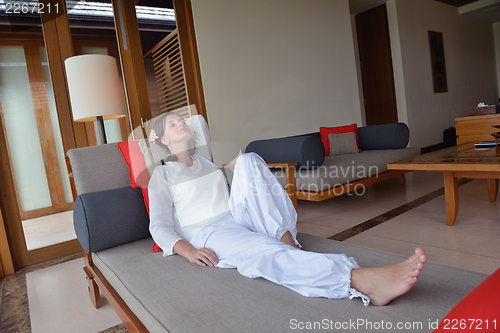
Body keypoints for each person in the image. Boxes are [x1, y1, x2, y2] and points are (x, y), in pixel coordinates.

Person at [147, 112, 427, 306]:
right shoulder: (162, 175)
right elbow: (158, 226)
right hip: (209, 233)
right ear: (162, 140)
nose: (183, 124)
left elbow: (198, 123)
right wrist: (190, 251)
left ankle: (284, 237)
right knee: (264, 251)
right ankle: (358, 279)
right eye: (173, 125)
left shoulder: (205, 163)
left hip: (235, 216)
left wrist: (177, 126)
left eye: (182, 120)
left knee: (248, 161)